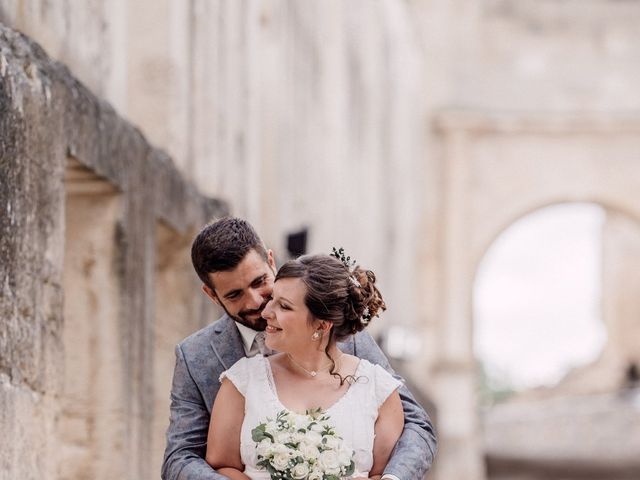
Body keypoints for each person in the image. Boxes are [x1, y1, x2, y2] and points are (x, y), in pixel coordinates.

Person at [161, 217, 436, 480]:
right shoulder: (196, 356)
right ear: (212, 295)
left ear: (271, 261)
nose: (257, 302)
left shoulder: (343, 333)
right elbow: (180, 458)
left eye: (259, 282)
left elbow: (416, 424)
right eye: (234, 294)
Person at [206, 254, 404, 479]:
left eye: (284, 306)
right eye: (272, 298)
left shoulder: (379, 390)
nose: (266, 312)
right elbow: (221, 467)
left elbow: (384, 473)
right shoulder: (242, 381)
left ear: (322, 325)